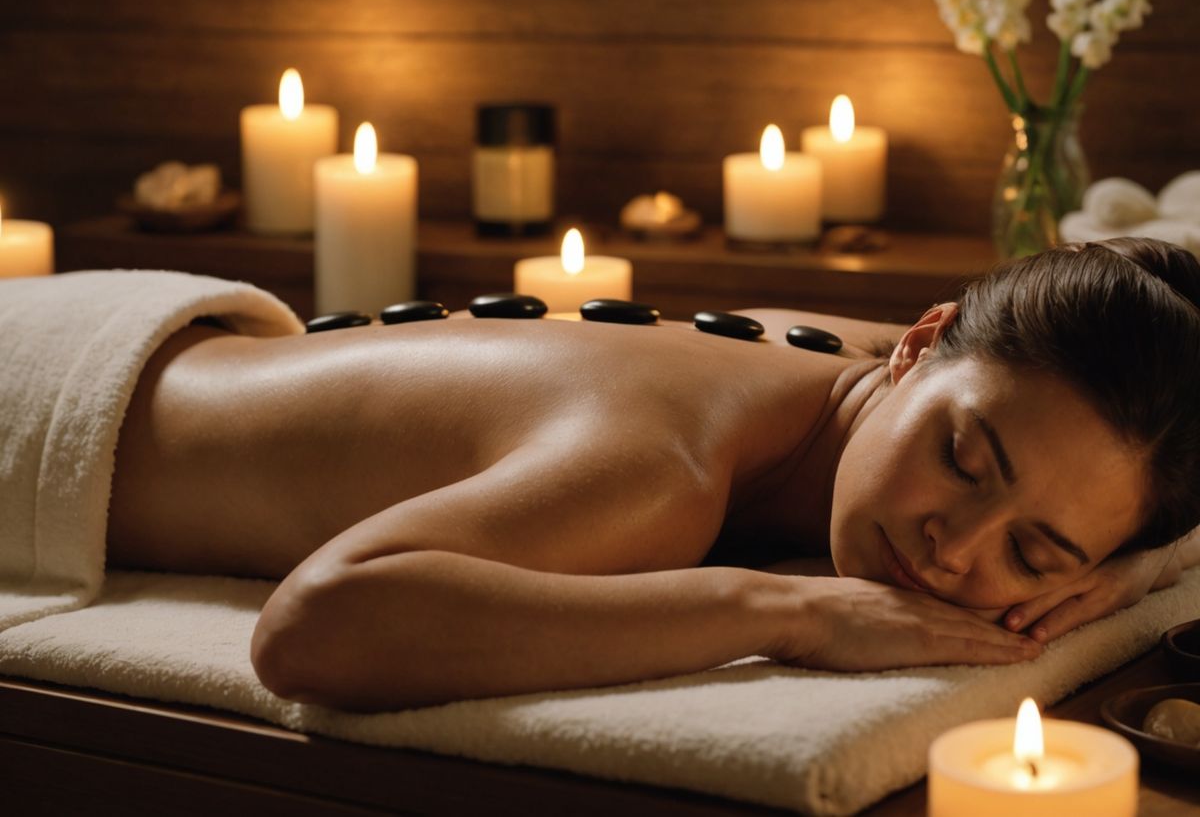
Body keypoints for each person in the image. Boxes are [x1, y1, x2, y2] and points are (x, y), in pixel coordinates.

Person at [105, 237, 1200, 712]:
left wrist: (1138, 567)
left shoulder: (845, 366)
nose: (953, 549)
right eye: (961, 462)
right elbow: (313, 631)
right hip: (60, 405)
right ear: (921, 345)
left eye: (1034, 552)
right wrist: (785, 610)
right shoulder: (662, 472)